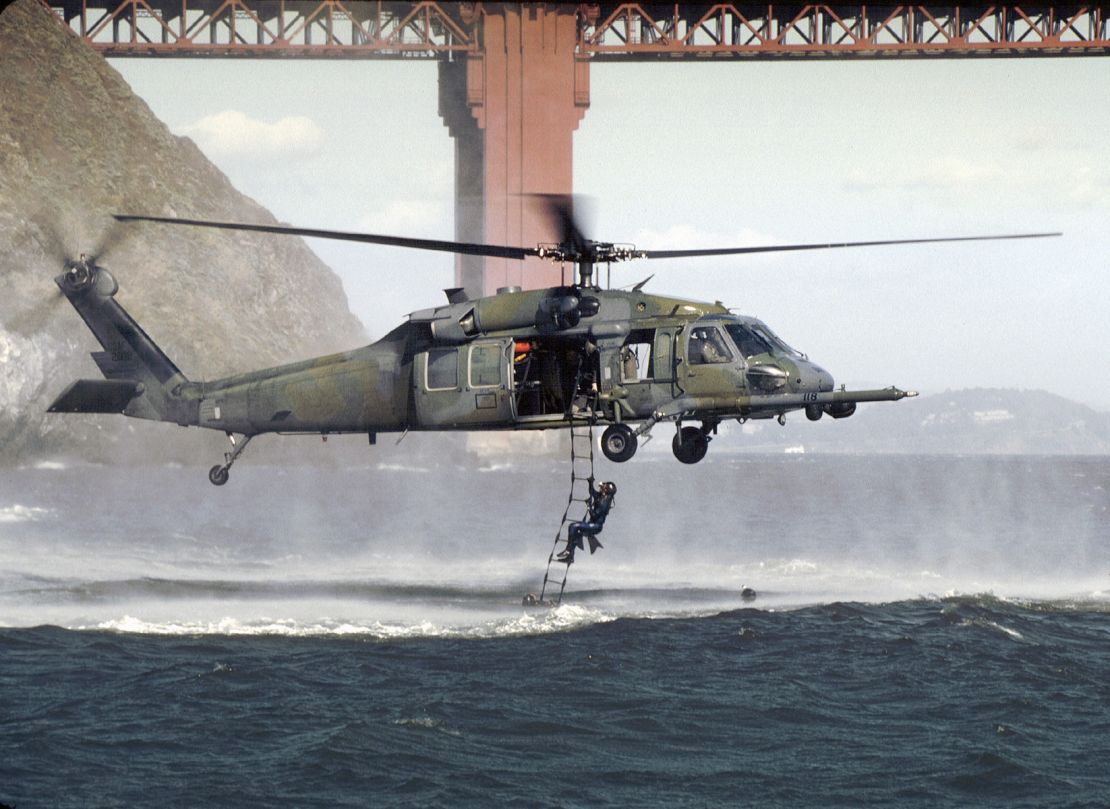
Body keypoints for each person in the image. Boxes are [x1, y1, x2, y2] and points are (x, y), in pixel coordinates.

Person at [556, 479, 616, 564]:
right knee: (576, 532)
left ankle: (568, 550)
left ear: (606, 490)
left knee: (574, 526)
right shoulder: (602, 496)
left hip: (595, 526)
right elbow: (592, 493)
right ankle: (570, 556)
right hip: (592, 524)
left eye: (603, 487)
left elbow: (594, 516)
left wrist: (589, 506)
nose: (601, 488)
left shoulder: (604, 502)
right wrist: (590, 483)